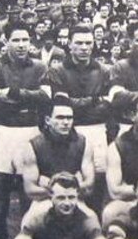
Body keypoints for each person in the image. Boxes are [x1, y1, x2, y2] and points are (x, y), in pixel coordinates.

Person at [0, 20, 50, 239]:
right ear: (6, 41)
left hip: (29, 133)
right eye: (16, 40)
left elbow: (45, 98)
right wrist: (27, 96)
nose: (21, 45)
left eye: (25, 40)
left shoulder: (40, 66)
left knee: (29, 203)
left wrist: (12, 93)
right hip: (1, 134)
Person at [46, 23, 112, 214]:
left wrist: (78, 103)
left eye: (88, 43)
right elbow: (61, 102)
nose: (84, 48)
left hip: (97, 129)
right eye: (79, 43)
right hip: (68, 131)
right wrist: (93, 100)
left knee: (96, 182)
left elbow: (107, 105)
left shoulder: (103, 70)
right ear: (69, 44)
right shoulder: (57, 70)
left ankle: (93, 228)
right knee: (66, 179)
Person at [21, 94, 94, 206]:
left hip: (74, 199)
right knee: (31, 221)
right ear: (48, 120)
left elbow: (89, 186)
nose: (65, 122)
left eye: (69, 118)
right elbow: (30, 190)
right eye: (60, 117)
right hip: (44, 201)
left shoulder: (84, 143)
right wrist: (73, 184)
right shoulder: (33, 146)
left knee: (92, 221)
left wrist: (50, 185)